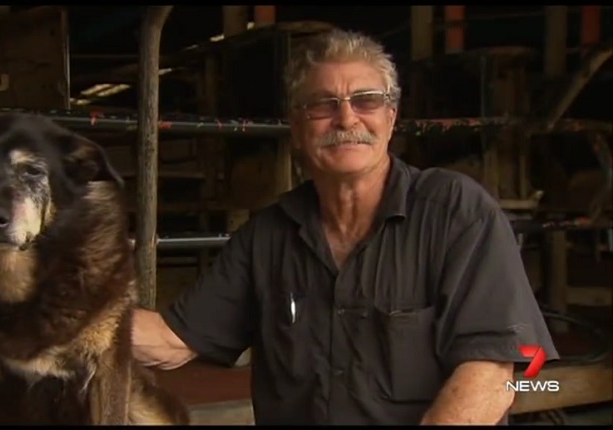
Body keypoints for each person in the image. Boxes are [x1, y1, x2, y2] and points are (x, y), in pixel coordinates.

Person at [131, 28, 558, 425]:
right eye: (323, 104)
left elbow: (490, 375)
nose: (346, 119)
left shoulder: (455, 212)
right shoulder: (268, 237)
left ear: (391, 118)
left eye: (366, 100)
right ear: (297, 129)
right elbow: (171, 341)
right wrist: (75, 311)